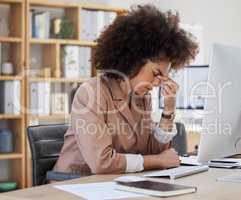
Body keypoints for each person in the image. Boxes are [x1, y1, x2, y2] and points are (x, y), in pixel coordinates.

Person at [53, 4, 198, 175]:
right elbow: (102, 162)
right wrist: (158, 161)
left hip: (114, 184)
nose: (159, 83)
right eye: (156, 73)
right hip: (74, 185)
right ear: (134, 60)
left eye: (164, 76)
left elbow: (153, 150)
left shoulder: (141, 97)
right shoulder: (91, 93)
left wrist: (168, 111)